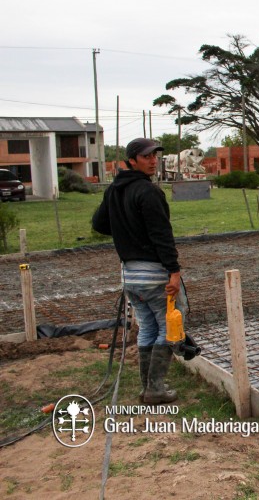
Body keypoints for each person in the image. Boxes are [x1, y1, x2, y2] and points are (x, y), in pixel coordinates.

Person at [92, 138, 183, 405]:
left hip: (129, 275)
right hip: (154, 274)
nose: (153, 160)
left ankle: (148, 388)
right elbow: (162, 235)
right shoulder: (148, 191)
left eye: (155, 155)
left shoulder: (114, 190)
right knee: (168, 326)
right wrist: (174, 271)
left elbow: (100, 224)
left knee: (147, 326)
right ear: (132, 160)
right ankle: (155, 389)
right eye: (147, 157)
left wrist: (126, 229)